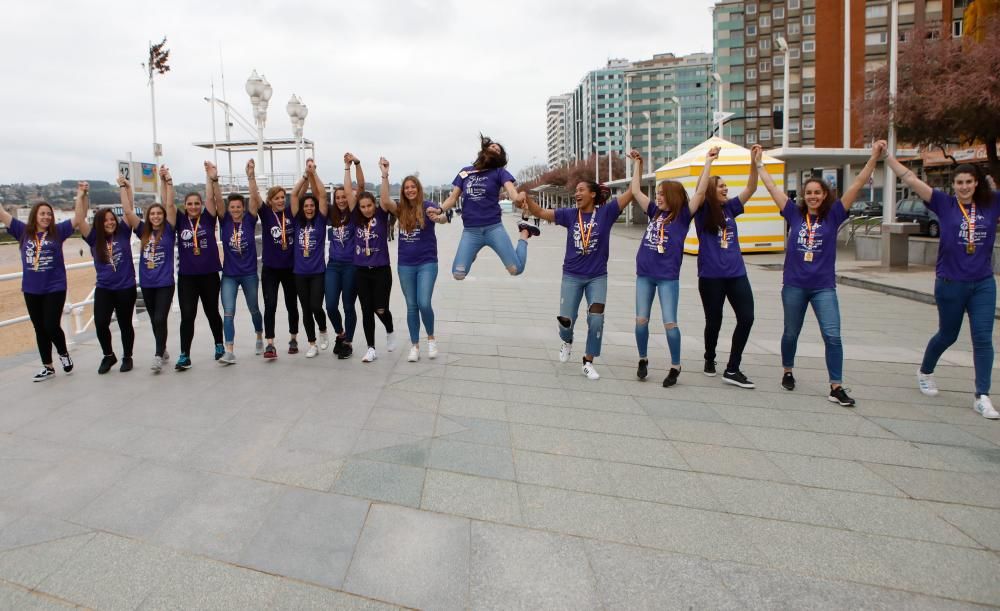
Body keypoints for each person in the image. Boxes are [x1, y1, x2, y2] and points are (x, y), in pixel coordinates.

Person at [759, 142, 885, 407]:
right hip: (794, 285)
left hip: (823, 287)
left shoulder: (834, 214)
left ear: (825, 194)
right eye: (809, 193)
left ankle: (836, 386)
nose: (814, 196)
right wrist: (759, 164)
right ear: (804, 195)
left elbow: (858, 183)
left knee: (832, 335)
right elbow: (773, 189)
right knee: (791, 332)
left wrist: (874, 157)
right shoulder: (794, 214)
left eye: (818, 192)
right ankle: (788, 371)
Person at [885, 154, 1000, 419]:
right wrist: (887, 157)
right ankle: (925, 371)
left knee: (983, 339)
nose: (964, 187)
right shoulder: (945, 204)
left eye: (969, 182)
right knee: (948, 335)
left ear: (977, 183)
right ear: (954, 185)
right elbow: (911, 179)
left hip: (983, 283)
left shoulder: (992, 203)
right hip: (950, 282)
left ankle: (982, 396)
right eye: (959, 182)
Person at [524, 181, 634, 380]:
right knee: (566, 321)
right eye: (576, 190)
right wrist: (528, 200)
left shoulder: (606, 213)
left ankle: (588, 361)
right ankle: (567, 341)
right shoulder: (570, 215)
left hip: (597, 277)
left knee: (596, 319)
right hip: (572, 276)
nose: (577, 193)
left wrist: (638, 164)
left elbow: (632, 191)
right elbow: (540, 212)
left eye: (581, 190)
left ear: (593, 194)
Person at [629, 148, 708, 387]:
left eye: (662, 194)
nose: (659, 197)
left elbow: (701, 192)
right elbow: (635, 190)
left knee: (670, 322)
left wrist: (708, 162)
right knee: (641, 320)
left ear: (673, 196)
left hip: (667, 278)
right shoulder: (654, 212)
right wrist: (637, 165)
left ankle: (675, 365)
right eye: (658, 193)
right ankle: (643, 359)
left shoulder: (683, 216)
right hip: (645, 275)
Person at [0, 186, 83, 381]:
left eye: (49, 214)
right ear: (34, 216)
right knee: (39, 328)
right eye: (42, 213)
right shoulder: (22, 231)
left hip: (55, 287)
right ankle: (48, 367)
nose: (46, 217)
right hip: (31, 289)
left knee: (51, 325)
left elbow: (79, 217)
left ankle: (63, 353)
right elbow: (3, 214)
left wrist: (80, 195)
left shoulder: (58, 232)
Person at [694, 146, 759, 388]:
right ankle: (709, 358)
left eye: (725, 186)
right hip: (711, 277)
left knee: (747, 317)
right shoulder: (701, 211)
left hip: (736, 274)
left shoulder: (731, 208)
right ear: (711, 190)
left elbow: (751, 188)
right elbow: (699, 191)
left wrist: (754, 162)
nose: (725, 189)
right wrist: (708, 162)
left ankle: (733, 367)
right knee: (714, 321)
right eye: (721, 186)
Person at [433, 135, 539, 279]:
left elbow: (513, 193)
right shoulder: (465, 172)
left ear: (500, 157)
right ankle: (472, 251)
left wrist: (519, 197)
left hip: (493, 228)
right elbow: (452, 198)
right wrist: (439, 210)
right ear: (484, 149)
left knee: (516, 270)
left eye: (498, 150)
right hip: (471, 231)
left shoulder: (500, 172)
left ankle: (525, 232)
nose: (495, 148)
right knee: (458, 274)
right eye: (493, 146)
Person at [380, 158, 446, 362]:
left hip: (427, 262)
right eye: (406, 187)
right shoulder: (400, 209)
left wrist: (438, 217)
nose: (409, 190)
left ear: (418, 188)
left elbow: (443, 218)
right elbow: (384, 202)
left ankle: (431, 339)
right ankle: (415, 345)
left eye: (412, 187)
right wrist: (384, 174)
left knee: (423, 302)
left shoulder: (428, 205)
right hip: (406, 264)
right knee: (411, 306)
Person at [122, 166, 176, 372]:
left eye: (158, 213)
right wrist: (124, 187)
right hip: (147, 283)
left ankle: (157, 354)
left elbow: (170, 204)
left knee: (160, 317)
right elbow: (127, 211)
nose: (155, 216)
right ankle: (162, 348)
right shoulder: (143, 230)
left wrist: (168, 182)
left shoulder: (169, 230)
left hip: (164, 283)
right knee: (155, 320)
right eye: (152, 213)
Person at [79, 179, 137, 374]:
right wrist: (83, 195)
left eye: (112, 219)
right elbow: (80, 219)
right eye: (105, 220)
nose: (110, 222)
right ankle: (108, 355)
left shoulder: (123, 233)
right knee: (101, 322)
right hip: (104, 288)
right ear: (99, 223)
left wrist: (124, 188)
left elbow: (129, 210)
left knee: (125, 323)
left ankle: (127, 356)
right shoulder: (94, 237)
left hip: (125, 287)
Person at [174, 162, 225, 370]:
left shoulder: (207, 219)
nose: (194, 206)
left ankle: (219, 344)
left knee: (212, 311)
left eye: (197, 203)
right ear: (185, 206)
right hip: (187, 277)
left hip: (209, 274)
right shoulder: (179, 221)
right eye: (190, 204)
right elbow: (168, 204)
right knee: (188, 315)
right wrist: (166, 182)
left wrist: (210, 176)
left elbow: (211, 198)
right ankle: (185, 354)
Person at [251, 160, 300, 359]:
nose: (281, 201)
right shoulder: (266, 213)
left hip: (290, 267)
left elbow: (298, 193)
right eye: (277, 198)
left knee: (291, 305)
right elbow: (254, 196)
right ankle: (270, 343)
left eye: (282, 197)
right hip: (270, 268)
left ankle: (293, 338)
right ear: (270, 200)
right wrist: (251, 175)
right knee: (270, 305)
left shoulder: (291, 212)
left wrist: (306, 174)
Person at [349, 159, 397, 363]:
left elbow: (385, 198)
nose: (367, 209)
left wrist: (384, 175)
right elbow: (349, 188)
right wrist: (348, 167)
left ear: (374, 205)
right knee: (366, 310)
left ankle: (390, 329)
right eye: (363, 207)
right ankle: (371, 348)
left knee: (380, 308)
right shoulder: (356, 217)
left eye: (369, 206)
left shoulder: (381, 213)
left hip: (381, 270)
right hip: (361, 271)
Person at [217, 168, 264, 364]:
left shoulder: (250, 220)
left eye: (238, 207)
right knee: (228, 312)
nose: (235, 210)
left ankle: (259, 335)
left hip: (249, 274)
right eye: (232, 207)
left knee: (253, 308)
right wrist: (213, 180)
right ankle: (230, 350)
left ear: (243, 209)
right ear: (228, 209)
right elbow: (217, 200)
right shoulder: (224, 220)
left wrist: (251, 176)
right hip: (229, 275)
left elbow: (254, 199)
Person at [290, 159, 329, 358]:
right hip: (299, 273)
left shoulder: (321, 221)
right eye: (306, 206)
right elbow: (294, 195)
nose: (309, 209)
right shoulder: (297, 221)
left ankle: (322, 329)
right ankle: (311, 343)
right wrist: (305, 175)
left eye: (312, 206)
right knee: (305, 309)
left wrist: (314, 173)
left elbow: (322, 194)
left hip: (317, 272)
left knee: (316, 306)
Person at [325, 153, 363, 360]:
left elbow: (355, 188)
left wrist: (350, 166)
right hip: (333, 265)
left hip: (351, 265)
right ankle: (341, 334)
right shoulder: (331, 214)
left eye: (343, 197)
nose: (341, 200)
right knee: (330, 304)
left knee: (348, 305)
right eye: (337, 197)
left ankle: (347, 342)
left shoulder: (354, 213)